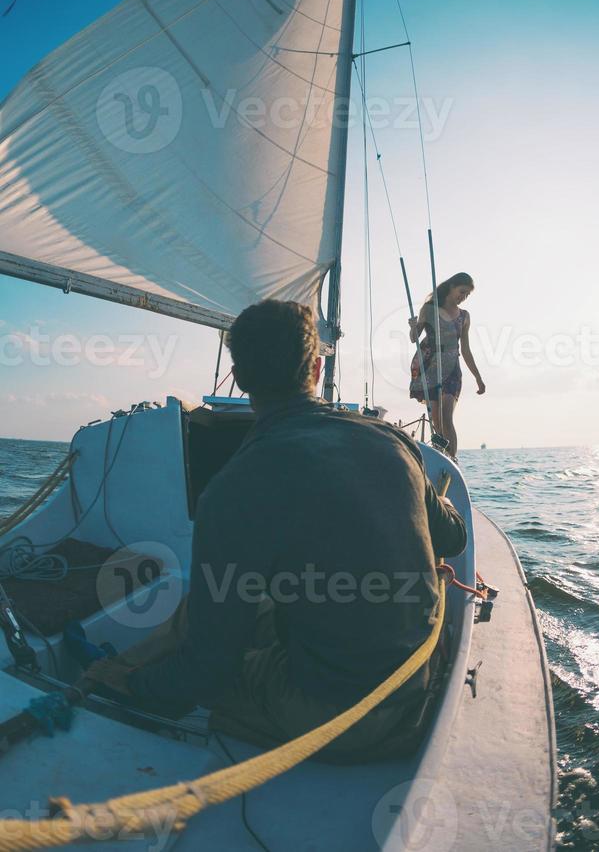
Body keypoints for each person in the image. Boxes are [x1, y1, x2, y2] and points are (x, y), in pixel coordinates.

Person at [85, 300, 466, 757]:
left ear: (241, 378)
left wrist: (137, 687)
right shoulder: (395, 444)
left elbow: (209, 671)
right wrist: (428, 498)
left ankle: (109, 677)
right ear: (318, 365)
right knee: (223, 609)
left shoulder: (232, 487)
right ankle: (124, 670)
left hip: (342, 721)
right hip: (415, 688)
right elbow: (454, 538)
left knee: (215, 632)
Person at [409, 272, 486, 458]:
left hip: (451, 367)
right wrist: (413, 326)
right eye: (461, 292)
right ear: (451, 287)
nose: (463, 297)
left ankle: (452, 459)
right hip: (429, 364)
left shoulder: (464, 316)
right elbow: (414, 338)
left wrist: (478, 377)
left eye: (467, 295)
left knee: (446, 416)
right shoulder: (430, 309)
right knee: (436, 419)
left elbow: (466, 350)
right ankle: (441, 456)